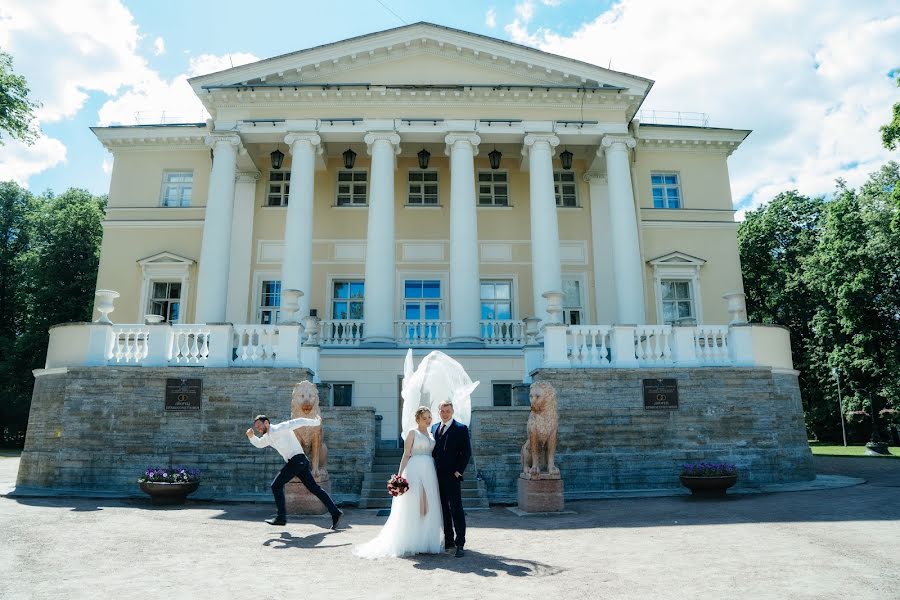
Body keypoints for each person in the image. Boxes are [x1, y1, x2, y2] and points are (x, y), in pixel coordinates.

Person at [353, 407, 443, 559]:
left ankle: (426, 540)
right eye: (425, 418)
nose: (428, 420)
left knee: (430, 505)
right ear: (418, 419)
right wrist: (400, 474)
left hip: (429, 470)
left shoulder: (432, 434)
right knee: (418, 504)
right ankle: (414, 541)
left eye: (429, 417)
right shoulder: (412, 433)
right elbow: (406, 454)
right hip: (415, 469)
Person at [245, 413, 343, 529]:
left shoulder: (280, 428)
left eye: (259, 425)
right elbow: (260, 444)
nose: (258, 428)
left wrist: (316, 422)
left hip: (297, 460)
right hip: (298, 462)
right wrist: (251, 437)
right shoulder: (268, 437)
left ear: (266, 422)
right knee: (315, 489)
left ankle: (281, 518)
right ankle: (335, 512)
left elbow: (299, 421)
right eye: (256, 427)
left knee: (276, 485)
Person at [432, 399, 471, 558]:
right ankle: (449, 540)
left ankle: (460, 542)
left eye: (448, 410)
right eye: (442, 410)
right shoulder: (434, 427)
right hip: (436, 476)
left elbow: (466, 453)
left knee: (456, 509)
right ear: (439, 411)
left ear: (452, 411)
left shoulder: (461, 429)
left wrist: (458, 471)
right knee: (443, 509)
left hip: (452, 476)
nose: (445, 413)